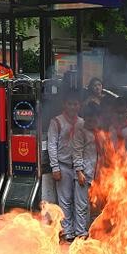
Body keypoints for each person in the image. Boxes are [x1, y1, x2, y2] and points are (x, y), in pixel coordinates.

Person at [47, 92, 83, 242]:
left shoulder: (82, 122)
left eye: (75, 104)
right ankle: (67, 231)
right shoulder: (56, 122)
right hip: (63, 166)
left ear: (79, 105)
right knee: (65, 200)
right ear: (64, 105)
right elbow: (52, 145)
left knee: (79, 201)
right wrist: (55, 167)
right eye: (70, 104)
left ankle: (79, 231)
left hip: (79, 168)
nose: (73, 107)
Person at [72, 104, 102, 238]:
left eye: (94, 120)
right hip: (84, 175)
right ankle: (80, 233)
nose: (92, 123)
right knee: (82, 206)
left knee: (95, 206)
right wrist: (79, 171)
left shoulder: (100, 133)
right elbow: (77, 152)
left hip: (97, 176)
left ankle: (92, 230)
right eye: (89, 120)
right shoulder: (80, 133)